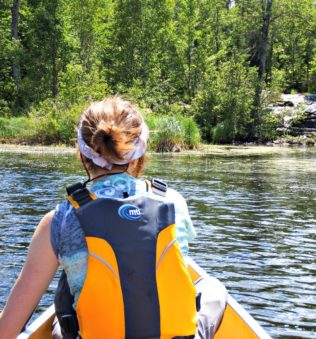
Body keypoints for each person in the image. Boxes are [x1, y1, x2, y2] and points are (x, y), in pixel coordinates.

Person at [0, 97, 227, 339]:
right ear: (138, 152)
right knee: (214, 289)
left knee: (61, 313)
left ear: (82, 152)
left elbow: (6, 330)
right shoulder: (173, 202)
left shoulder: (59, 220)